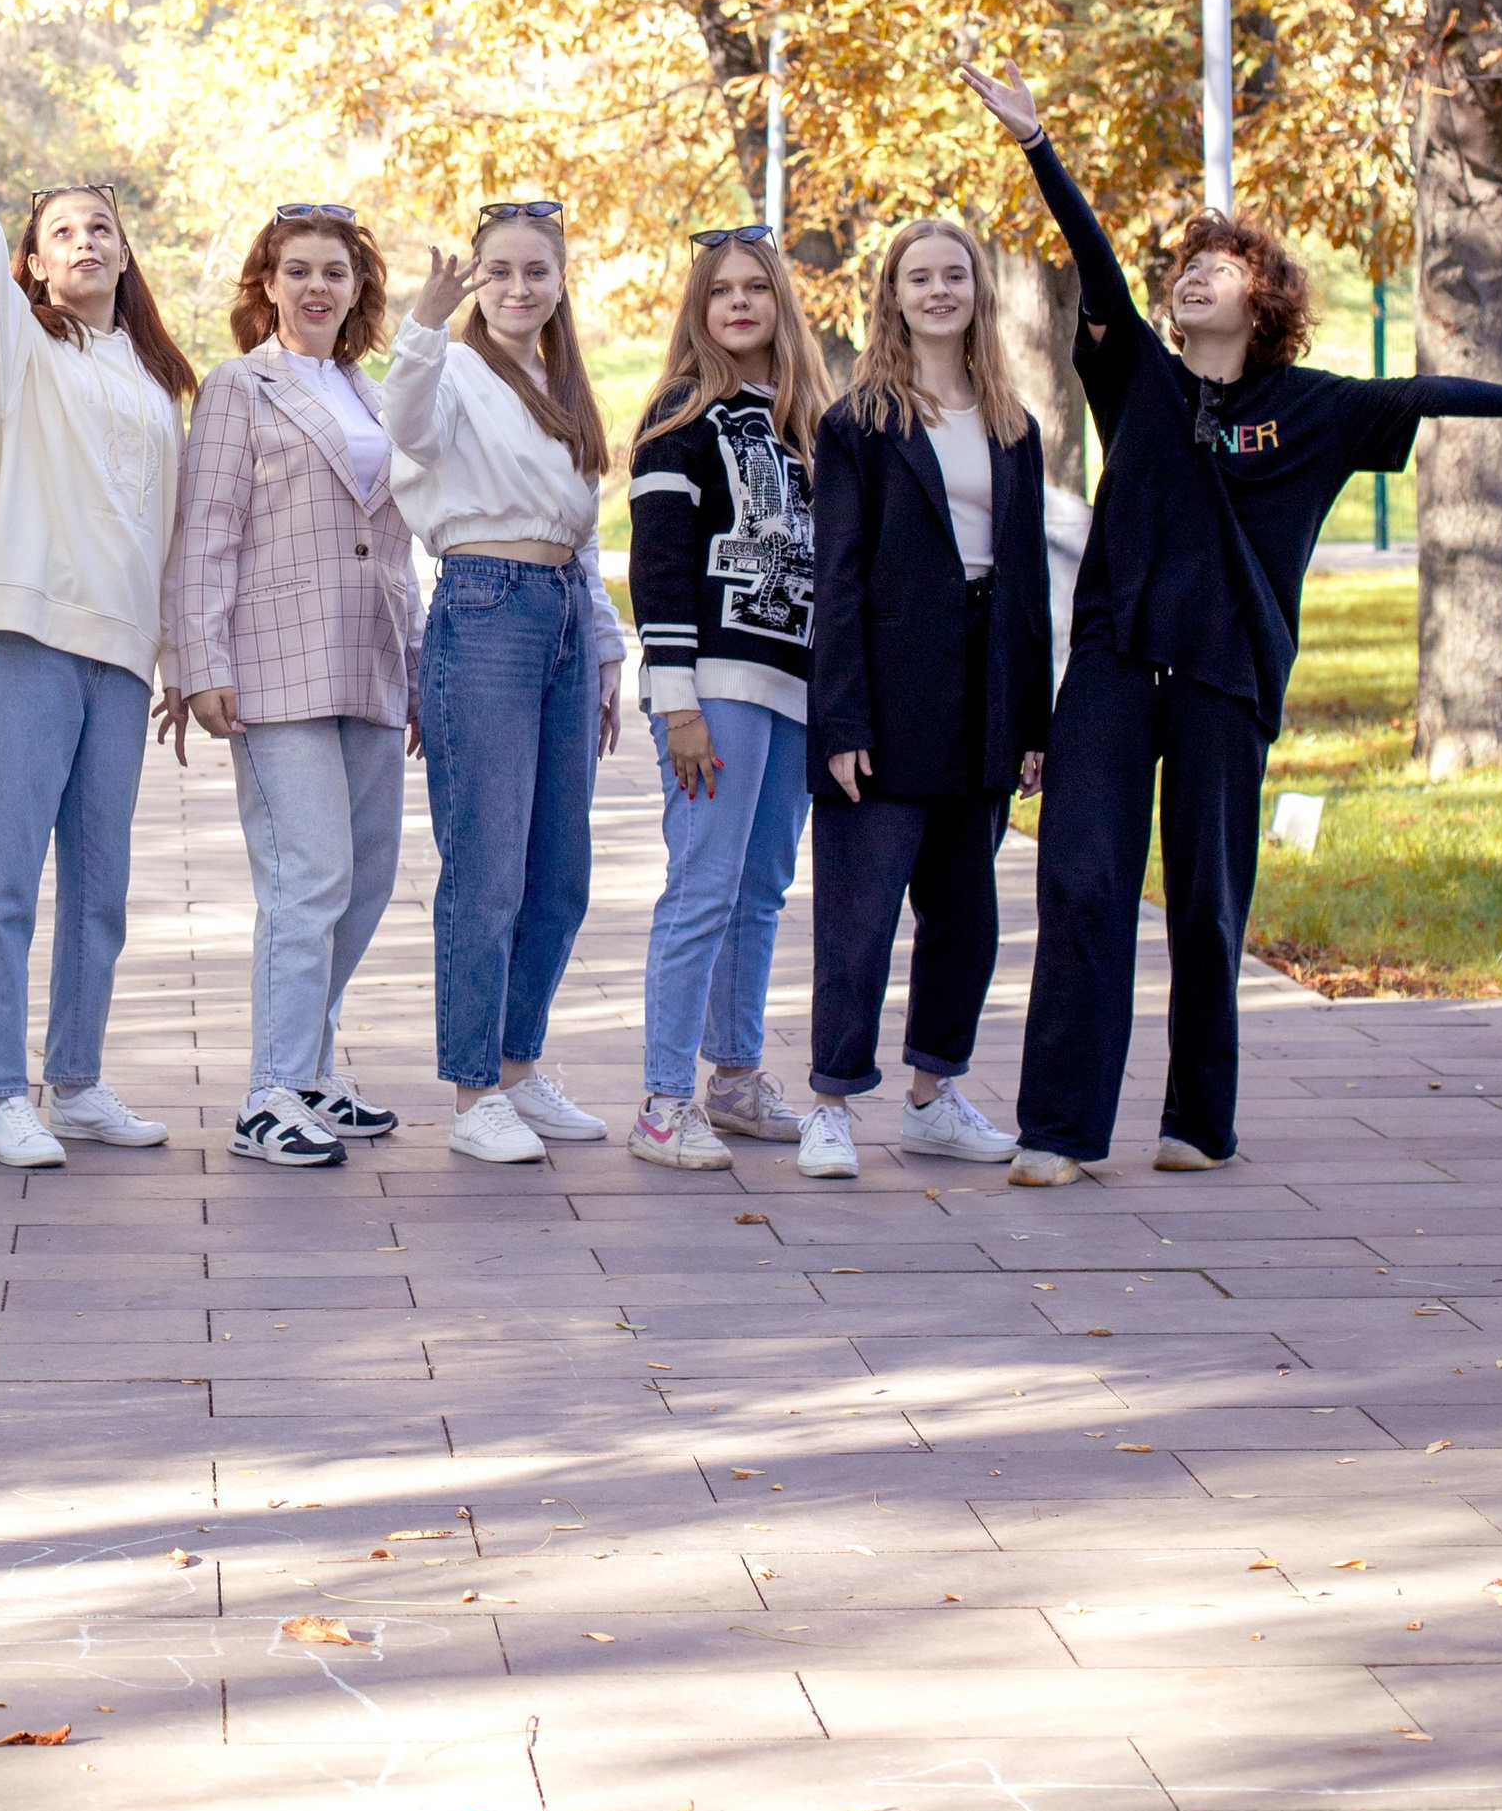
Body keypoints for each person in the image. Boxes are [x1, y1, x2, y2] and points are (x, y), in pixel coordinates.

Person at [964, 57, 1502, 1180]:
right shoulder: (1136, 380)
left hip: (1226, 676)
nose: (1190, 282)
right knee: (1080, 885)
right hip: (1117, 668)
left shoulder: (1312, 407)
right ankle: (1059, 1131)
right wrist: (1037, 146)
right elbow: (1097, 271)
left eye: (1215, 270)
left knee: (1209, 907)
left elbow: (1434, 395)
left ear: (1260, 299)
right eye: (1186, 269)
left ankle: (1195, 1122)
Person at [0, 11, 198, 1168]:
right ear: (35, 261)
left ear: (125, 252)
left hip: (122, 657)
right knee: (10, 880)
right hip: (26, 634)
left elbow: (166, 535)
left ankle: (76, 1080)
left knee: (104, 890)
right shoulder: (16, 354)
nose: (82, 240)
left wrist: (175, 658)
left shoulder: (156, 378)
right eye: (60, 230)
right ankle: (1, 1092)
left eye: (100, 227)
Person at [168, 204, 423, 1168]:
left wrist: (423, 669)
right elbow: (207, 528)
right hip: (275, 666)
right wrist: (201, 662)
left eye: (337, 272)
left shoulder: (372, 393)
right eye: (299, 270)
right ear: (267, 285)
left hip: (372, 658)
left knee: (364, 882)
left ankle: (312, 1068)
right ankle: (268, 1094)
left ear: (359, 288)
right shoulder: (240, 386)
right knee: (307, 876)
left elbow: (399, 545)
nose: (318, 286)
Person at [801, 218, 1052, 1182]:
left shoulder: (1011, 423)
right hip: (887, 693)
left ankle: (933, 1093)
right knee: (859, 917)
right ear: (893, 296)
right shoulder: (857, 422)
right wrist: (844, 721)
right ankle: (832, 1100)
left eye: (956, 274)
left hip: (984, 695)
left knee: (967, 914)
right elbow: (840, 579)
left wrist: (1033, 724)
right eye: (921, 277)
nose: (940, 290)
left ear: (978, 291)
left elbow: (1027, 585)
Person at [380, 201, 622, 1165]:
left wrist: (605, 651)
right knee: (485, 869)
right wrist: (423, 323)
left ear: (561, 281)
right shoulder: (451, 367)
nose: (520, 288)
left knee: (559, 872)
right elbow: (407, 423)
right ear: (475, 278)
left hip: (564, 607)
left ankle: (520, 1070)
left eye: (538, 271)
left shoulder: (562, 379)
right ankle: (474, 1088)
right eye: (500, 271)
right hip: (485, 607)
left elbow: (588, 524)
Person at [624, 227, 825, 1172]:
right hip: (717, 691)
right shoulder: (679, 415)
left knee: (761, 890)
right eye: (721, 291)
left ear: (783, 303)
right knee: (701, 888)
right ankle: (664, 1100)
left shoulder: (808, 425)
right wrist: (679, 704)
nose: (740, 304)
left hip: (796, 691)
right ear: (698, 309)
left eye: (757, 288)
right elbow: (659, 572)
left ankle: (735, 1079)